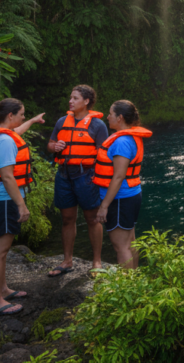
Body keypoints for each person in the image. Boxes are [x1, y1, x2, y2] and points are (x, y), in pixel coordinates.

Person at [0, 98, 44, 317]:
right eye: (22, 114)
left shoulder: (0, 134)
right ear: (10, 116)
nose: (23, 117)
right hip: (3, 200)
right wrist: (21, 206)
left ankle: (2, 290)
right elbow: (7, 177)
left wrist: (31, 121)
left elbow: (17, 131)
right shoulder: (4, 141)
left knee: (1, 251)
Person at [45, 85, 107, 277]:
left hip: (86, 175)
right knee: (67, 219)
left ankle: (97, 261)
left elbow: (104, 154)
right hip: (64, 174)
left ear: (86, 101)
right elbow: (49, 145)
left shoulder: (98, 125)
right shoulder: (62, 121)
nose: (70, 101)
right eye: (70, 98)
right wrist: (55, 146)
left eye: (75, 98)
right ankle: (67, 260)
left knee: (92, 218)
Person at [94, 100, 152, 269]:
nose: (107, 117)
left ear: (119, 118)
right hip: (131, 195)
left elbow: (118, 176)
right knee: (130, 242)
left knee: (121, 246)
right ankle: (134, 284)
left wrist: (104, 206)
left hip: (120, 199)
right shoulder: (131, 137)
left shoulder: (121, 142)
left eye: (110, 114)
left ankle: (126, 289)